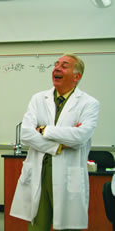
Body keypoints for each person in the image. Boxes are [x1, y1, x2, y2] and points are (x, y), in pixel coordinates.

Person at [10, 54, 100, 230]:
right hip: (40, 171)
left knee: (68, 225)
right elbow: (27, 134)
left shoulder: (89, 103)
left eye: (64, 66)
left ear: (77, 76)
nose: (57, 68)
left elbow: (81, 136)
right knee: (37, 225)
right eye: (56, 64)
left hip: (68, 174)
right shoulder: (38, 99)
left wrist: (44, 130)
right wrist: (57, 146)